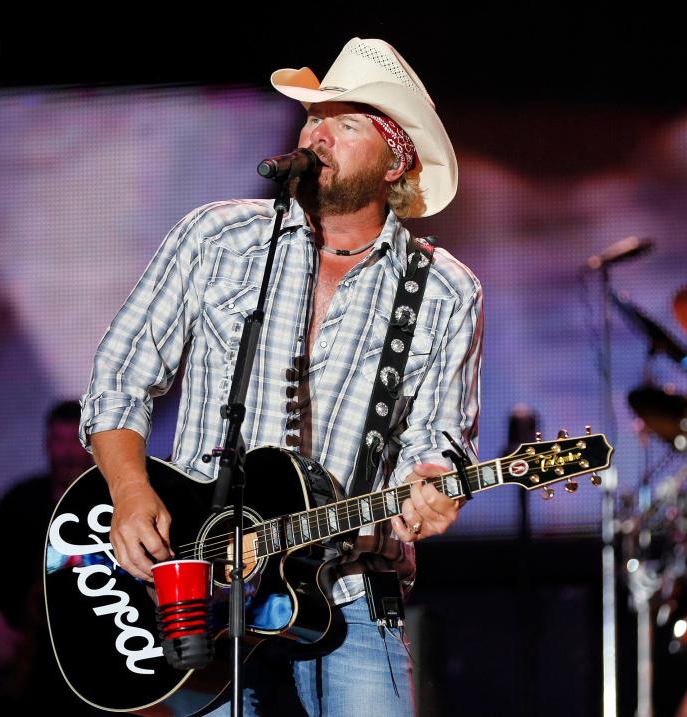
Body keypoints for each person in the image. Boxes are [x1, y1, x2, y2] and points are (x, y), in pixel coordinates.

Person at [79, 37, 482, 716]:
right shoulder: (217, 238)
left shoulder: (444, 288)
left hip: (351, 591)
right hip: (204, 594)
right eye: (312, 117)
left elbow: (436, 444)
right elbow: (119, 376)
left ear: (396, 160)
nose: (316, 133)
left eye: (346, 122)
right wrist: (127, 489)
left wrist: (434, 488)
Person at [0, 400, 95, 714]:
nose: (68, 453)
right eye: (59, 442)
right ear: (46, 446)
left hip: (94, 648)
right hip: (32, 651)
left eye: (75, 441)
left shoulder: (109, 499)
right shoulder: (19, 500)